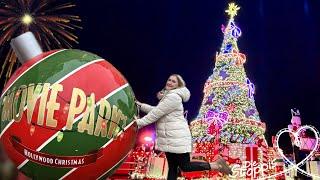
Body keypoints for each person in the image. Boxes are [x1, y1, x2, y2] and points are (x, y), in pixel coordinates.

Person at [135, 74, 232, 180]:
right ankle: (216, 165)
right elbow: (157, 110)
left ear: (178, 86)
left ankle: (216, 165)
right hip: (170, 138)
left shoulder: (173, 97)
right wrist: (141, 106)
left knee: (185, 166)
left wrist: (138, 123)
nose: (170, 82)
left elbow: (155, 114)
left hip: (177, 138)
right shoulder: (169, 97)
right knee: (172, 167)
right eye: (169, 80)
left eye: (173, 82)